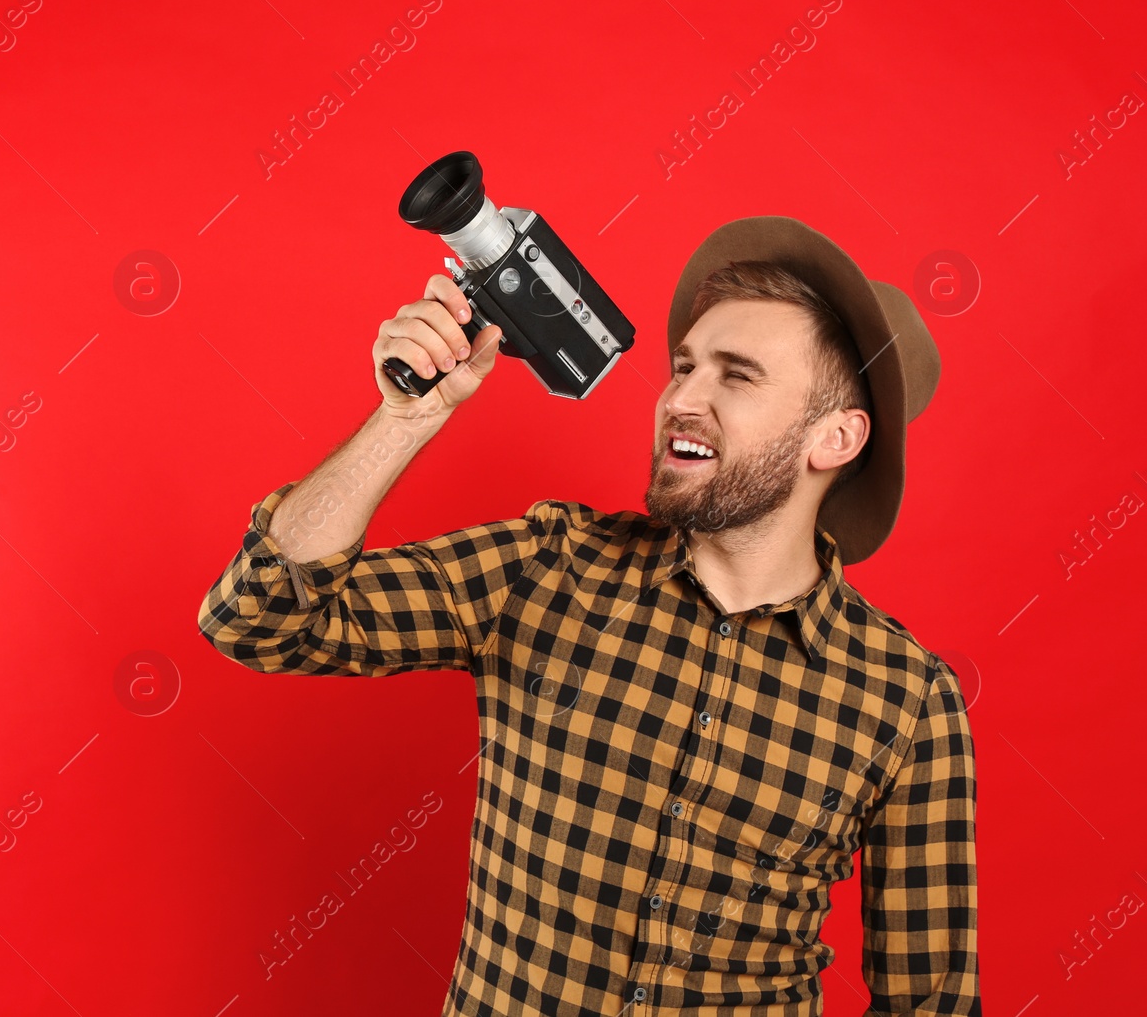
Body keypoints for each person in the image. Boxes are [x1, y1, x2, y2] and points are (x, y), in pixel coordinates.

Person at [196, 216, 978, 1016]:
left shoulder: (908, 702)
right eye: (684, 368)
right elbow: (255, 618)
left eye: (736, 376)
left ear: (836, 438)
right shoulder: (550, 564)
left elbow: (933, 1003)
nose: (682, 398)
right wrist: (405, 418)